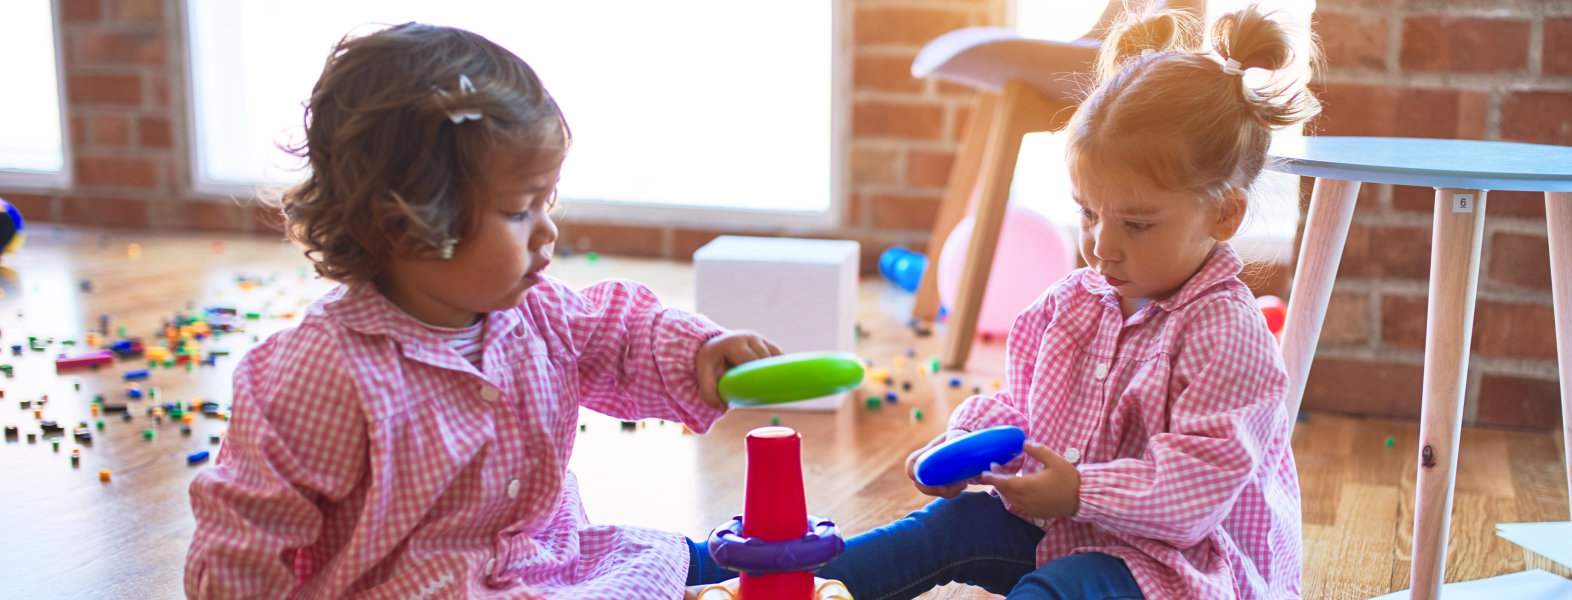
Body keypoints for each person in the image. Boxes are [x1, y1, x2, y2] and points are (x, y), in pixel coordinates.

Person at [695, 5, 1319, 599]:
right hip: (1072, 528)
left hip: (1181, 571)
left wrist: (1078, 491)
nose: (1102, 247)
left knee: (1059, 590)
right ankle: (782, 576)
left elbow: (1194, 492)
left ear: (1224, 215)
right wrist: (963, 441)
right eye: (1088, 214)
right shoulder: (1070, 305)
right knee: (950, 526)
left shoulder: (1227, 334)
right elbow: (1021, 410)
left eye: (1136, 224)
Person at [183, 23, 781, 598]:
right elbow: (251, 528)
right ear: (406, 223)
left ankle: (722, 564)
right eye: (519, 210)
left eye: (546, 202)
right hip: (413, 589)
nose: (547, 231)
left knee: (634, 558)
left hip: (541, 561)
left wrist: (699, 352)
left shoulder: (540, 314)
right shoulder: (324, 372)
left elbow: (621, 335)